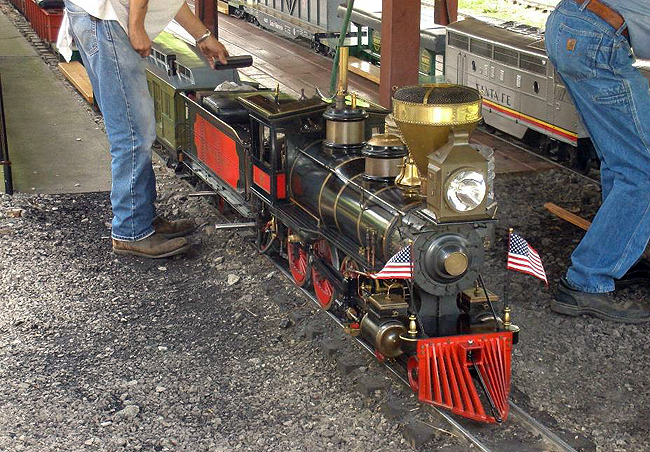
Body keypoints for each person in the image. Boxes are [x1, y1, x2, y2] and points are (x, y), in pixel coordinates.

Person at [56, 0, 229, 258]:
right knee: (132, 130)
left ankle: (142, 218)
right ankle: (131, 231)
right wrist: (136, 26)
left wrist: (203, 36)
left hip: (98, 16)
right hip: (107, 22)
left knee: (133, 127)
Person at [545, 0, 650, 323]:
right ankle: (587, 281)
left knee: (621, 155)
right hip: (598, 39)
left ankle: (620, 252)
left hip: (571, 24)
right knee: (643, 169)